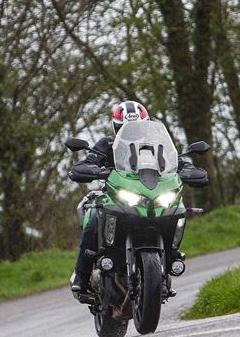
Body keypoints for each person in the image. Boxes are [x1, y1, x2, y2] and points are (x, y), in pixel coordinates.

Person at [69, 101, 201, 295]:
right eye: (126, 129)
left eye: (137, 127)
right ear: (117, 128)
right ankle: (81, 275)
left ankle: (170, 258)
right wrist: (91, 169)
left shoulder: (157, 147)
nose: (133, 132)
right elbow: (86, 163)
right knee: (94, 217)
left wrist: (190, 170)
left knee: (176, 210)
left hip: (152, 196)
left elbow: (178, 163)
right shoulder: (107, 144)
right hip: (118, 197)